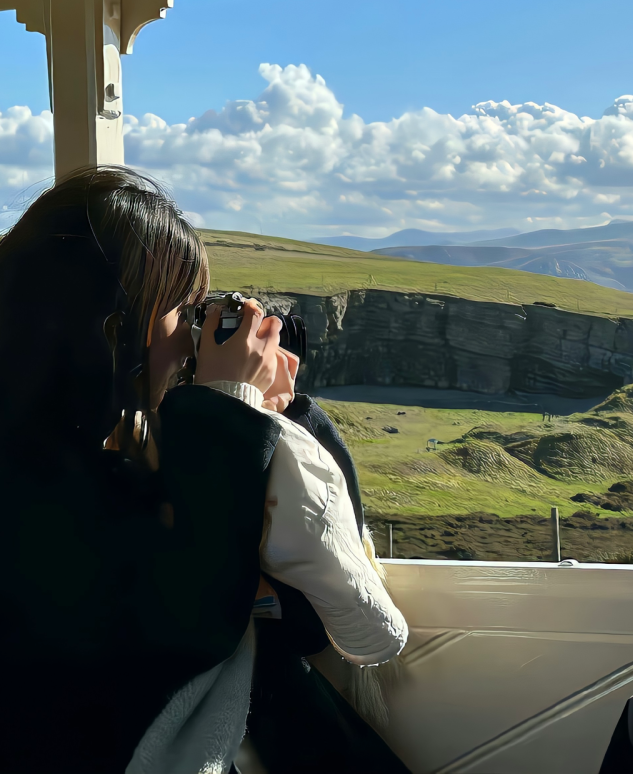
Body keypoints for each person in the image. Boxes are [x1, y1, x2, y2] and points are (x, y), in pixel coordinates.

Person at [0, 167, 407, 773]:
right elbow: (183, 626)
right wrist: (225, 413)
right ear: (110, 323)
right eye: (180, 312)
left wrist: (287, 416)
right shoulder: (26, 486)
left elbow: (307, 613)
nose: (192, 343)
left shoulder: (127, 455)